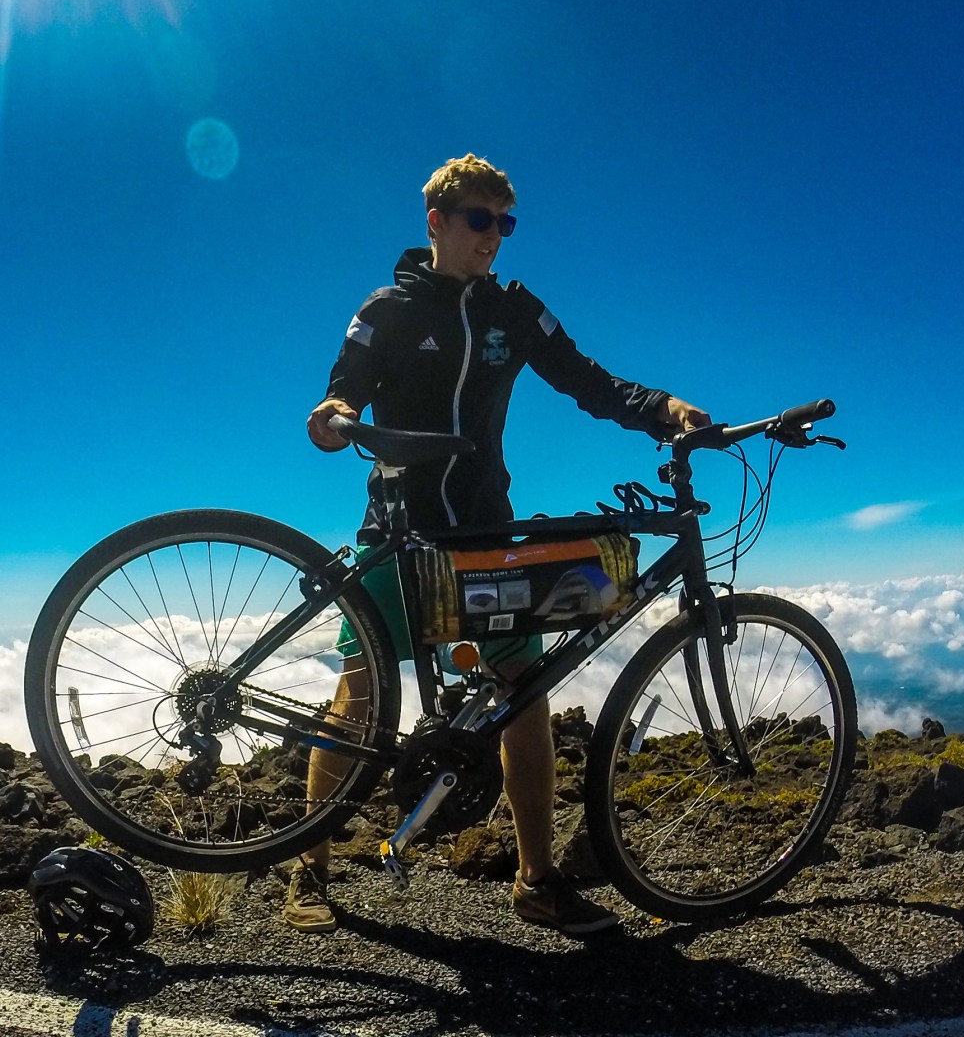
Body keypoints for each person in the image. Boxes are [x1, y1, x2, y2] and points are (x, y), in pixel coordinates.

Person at [285, 153, 710, 937]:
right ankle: (308, 865)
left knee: (522, 692)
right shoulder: (389, 308)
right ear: (437, 223)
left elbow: (590, 381)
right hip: (398, 531)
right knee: (362, 697)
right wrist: (335, 410)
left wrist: (660, 407)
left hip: (484, 529)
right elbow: (347, 381)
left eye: (505, 224)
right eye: (480, 221)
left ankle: (536, 881)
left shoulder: (514, 313)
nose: (494, 238)